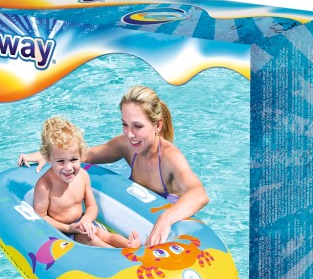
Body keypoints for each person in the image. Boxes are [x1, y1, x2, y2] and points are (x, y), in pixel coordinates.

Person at [19, 86, 208, 246]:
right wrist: (48, 155)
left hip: (170, 226)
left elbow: (200, 194)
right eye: (125, 124)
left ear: (157, 125)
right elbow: (84, 155)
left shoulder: (170, 157)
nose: (130, 134)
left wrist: (165, 218)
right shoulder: (127, 145)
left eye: (137, 126)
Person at [33, 116, 140, 248]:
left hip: (83, 222)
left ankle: (129, 245)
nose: (68, 167)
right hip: (63, 233)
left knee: (106, 235)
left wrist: (86, 220)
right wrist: (69, 228)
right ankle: (119, 255)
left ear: (80, 155)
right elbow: (41, 218)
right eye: (60, 161)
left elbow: (91, 206)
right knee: (92, 240)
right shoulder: (45, 186)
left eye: (73, 159)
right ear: (48, 159)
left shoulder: (82, 176)